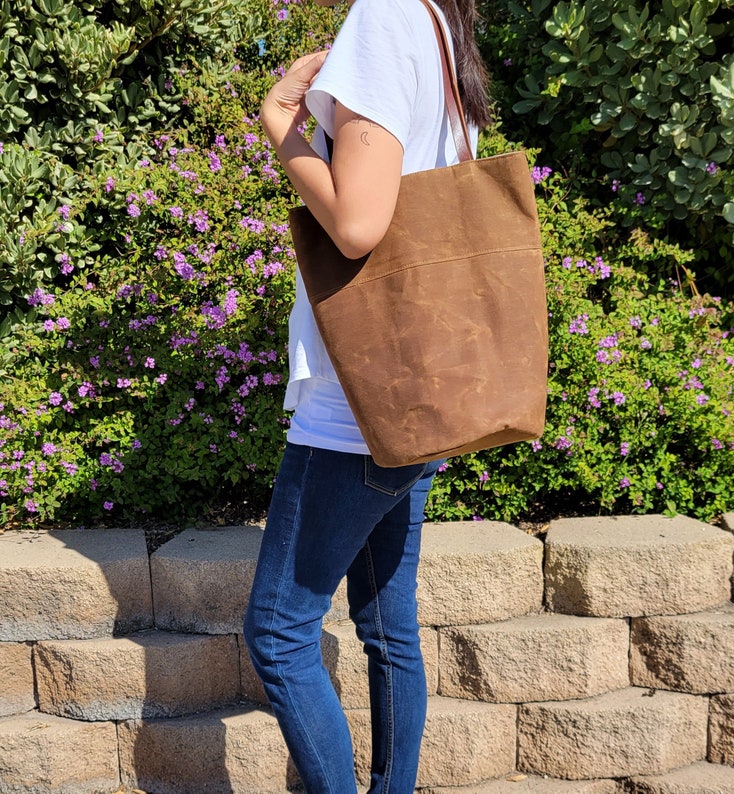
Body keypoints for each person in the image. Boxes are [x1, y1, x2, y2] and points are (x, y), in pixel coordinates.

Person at [243, 0, 490, 791]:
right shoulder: (438, 25)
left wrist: (282, 125)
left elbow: (357, 225)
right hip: (419, 396)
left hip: (357, 412)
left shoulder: (386, 17)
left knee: (278, 635)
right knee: (389, 628)